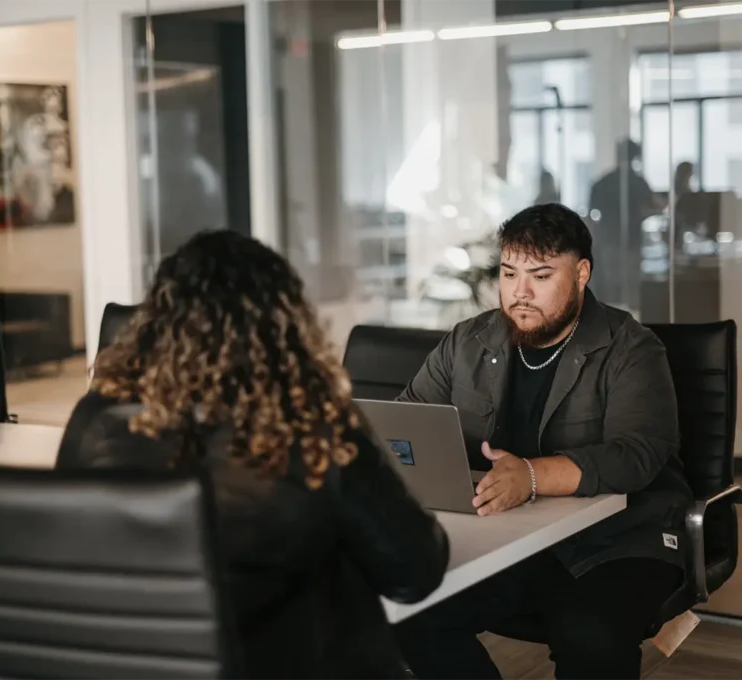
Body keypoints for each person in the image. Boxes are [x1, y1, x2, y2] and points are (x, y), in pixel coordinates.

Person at [57, 230, 449, 680]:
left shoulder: (95, 418)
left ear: (158, 318)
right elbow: (414, 573)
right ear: (282, 323)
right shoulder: (311, 425)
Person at [394, 204, 692, 680]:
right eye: (509, 274)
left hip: (618, 539)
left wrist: (531, 476)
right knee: (408, 612)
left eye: (541, 275)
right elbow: (407, 424)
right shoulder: (469, 342)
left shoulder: (630, 347)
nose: (520, 292)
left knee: (589, 635)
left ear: (581, 274)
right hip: (508, 538)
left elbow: (637, 455)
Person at [587, 139, 662, 311]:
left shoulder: (603, 181)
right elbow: (653, 205)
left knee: (611, 288)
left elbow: (591, 214)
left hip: (608, 240)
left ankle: (609, 329)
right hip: (630, 240)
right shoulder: (637, 181)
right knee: (631, 289)